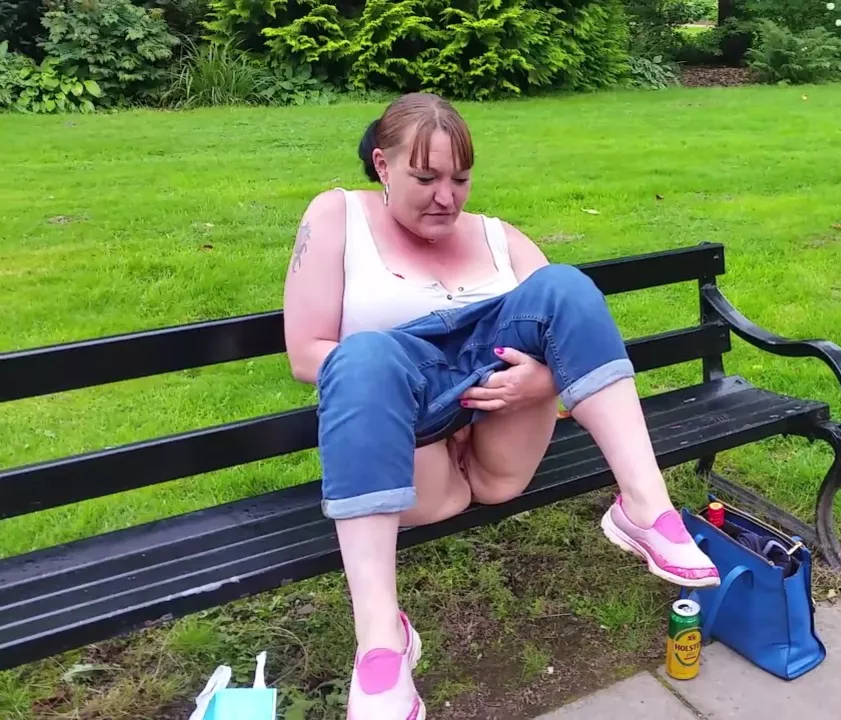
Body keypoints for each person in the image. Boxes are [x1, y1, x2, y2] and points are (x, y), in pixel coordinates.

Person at [282, 92, 720, 720]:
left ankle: (645, 508)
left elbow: (569, 335)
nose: (446, 197)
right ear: (382, 164)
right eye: (425, 178)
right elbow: (306, 355)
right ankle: (381, 643)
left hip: (500, 439)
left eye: (460, 179)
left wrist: (540, 383)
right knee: (364, 356)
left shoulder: (498, 236)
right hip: (409, 438)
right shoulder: (336, 216)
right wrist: (402, 381)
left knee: (565, 285)